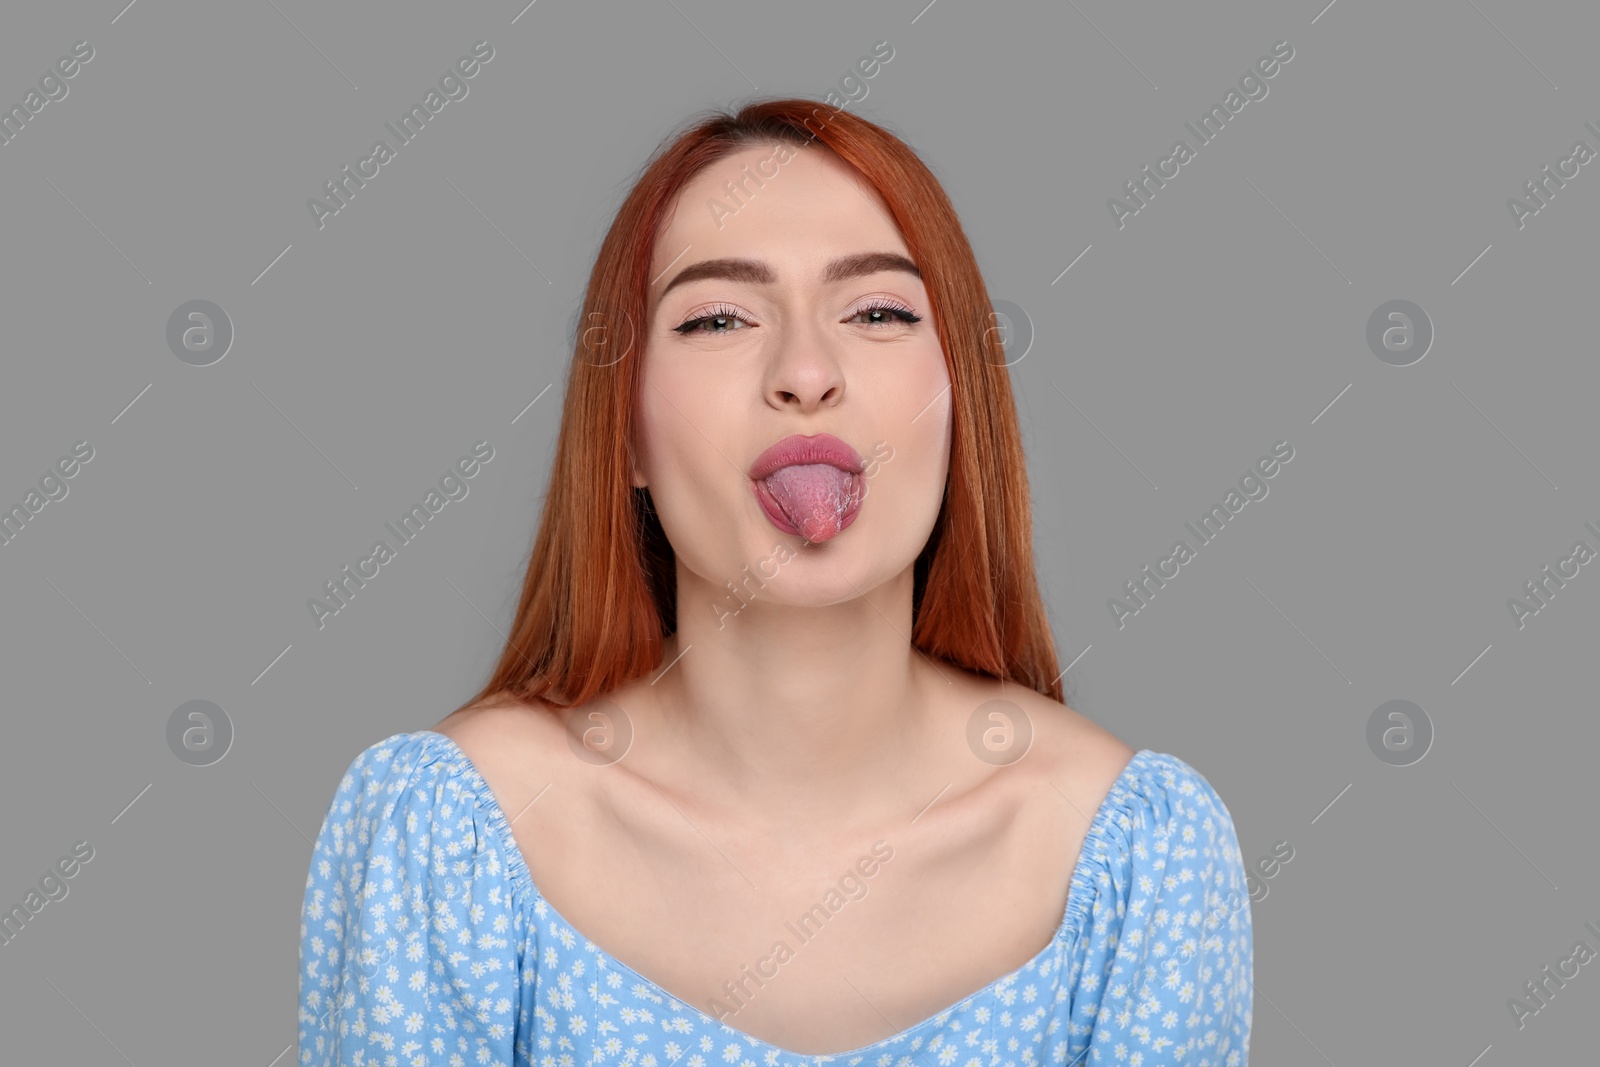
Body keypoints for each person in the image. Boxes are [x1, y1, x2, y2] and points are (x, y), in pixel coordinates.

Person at [296, 97, 1254, 1065]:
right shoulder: (449, 834)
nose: (804, 371)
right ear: (623, 428)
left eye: (878, 310)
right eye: (717, 317)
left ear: (963, 401)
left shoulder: (1139, 855)